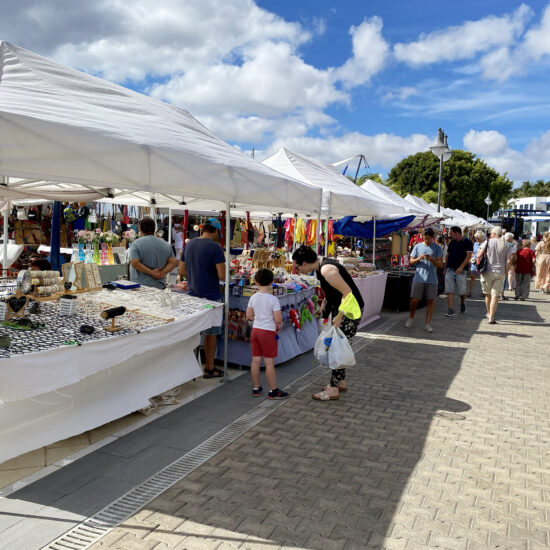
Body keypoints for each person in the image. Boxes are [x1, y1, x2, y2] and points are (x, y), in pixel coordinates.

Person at [292, 245, 363, 401]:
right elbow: (333, 290)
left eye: (297, 267)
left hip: (349, 311)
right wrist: (325, 302)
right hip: (343, 309)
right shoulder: (319, 265)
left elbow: (347, 293)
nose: (297, 270)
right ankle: (340, 382)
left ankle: (333, 389)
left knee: (337, 348)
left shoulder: (326, 269)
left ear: (304, 263)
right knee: (340, 345)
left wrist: (340, 316)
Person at [179, 218, 226, 378]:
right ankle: (209, 368)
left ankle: (191, 368)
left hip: (193, 296)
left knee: (194, 333)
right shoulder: (215, 247)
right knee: (211, 333)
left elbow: (182, 271)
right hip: (211, 297)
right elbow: (222, 275)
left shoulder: (189, 244)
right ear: (216, 231)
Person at [246, 268, 288, 399]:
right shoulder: (273, 299)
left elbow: (248, 315)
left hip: (256, 330)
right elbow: (278, 319)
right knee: (269, 362)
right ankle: (273, 390)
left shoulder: (253, 297)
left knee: (255, 360)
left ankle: (256, 388)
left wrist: (257, 318)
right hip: (268, 332)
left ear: (256, 282)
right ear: (271, 282)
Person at [405, 228, 443, 333]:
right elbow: (411, 261)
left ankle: (427, 324)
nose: (426, 240)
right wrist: (418, 258)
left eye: (429, 238)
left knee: (430, 301)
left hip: (432, 279)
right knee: (414, 300)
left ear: (433, 238)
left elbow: (440, 264)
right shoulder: (417, 246)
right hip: (419, 277)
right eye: (425, 238)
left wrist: (432, 260)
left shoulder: (437, 248)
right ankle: (411, 317)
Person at [129, 216, 177, 289]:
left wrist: (152, 273)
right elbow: (173, 262)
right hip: (159, 286)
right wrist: (162, 273)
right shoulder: (166, 244)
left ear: (140, 228)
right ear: (155, 229)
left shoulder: (136, 243)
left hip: (139, 287)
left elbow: (135, 263)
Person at [477, 226, 512, 324]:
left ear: (495, 234)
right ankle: (491, 318)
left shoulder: (488, 242)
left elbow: (479, 255)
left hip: (487, 272)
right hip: (500, 272)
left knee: (488, 295)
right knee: (495, 296)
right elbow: (509, 261)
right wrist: (505, 272)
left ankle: (489, 313)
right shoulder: (507, 244)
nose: (490, 234)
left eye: (491, 233)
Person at [444, 226, 473, 316]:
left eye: (451, 234)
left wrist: (461, 267)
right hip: (450, 269)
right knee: (449, 290)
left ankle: (462, 302)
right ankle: (450, 309)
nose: (450, 236)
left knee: (461, 291)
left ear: (457, 233)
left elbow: (468, 256)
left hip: (461, 271)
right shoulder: (452, 242)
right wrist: (445, 268)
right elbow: (447, 256)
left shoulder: (467, 242)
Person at [469, 231, 485, 297]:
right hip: (474, 262)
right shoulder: (475, 244)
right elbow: (473, 252)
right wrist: (472, 257)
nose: (475, 239)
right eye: (475, 238)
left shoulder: (484, 244)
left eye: (477, 237)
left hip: (481, 263)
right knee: (472, 277)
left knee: (482, 279)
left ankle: (483, 292)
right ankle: (470, 292)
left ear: (480, 237)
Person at [503, 232, 518, 297]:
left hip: (500, 262)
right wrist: (516, 260)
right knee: (510, 274)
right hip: (509, 261)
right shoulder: (511, 245)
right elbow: (514, 254)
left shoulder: (500, 243)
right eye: (512, 238)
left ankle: (508, 288)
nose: (512, 239)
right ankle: (506, 290)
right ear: (509, 238)